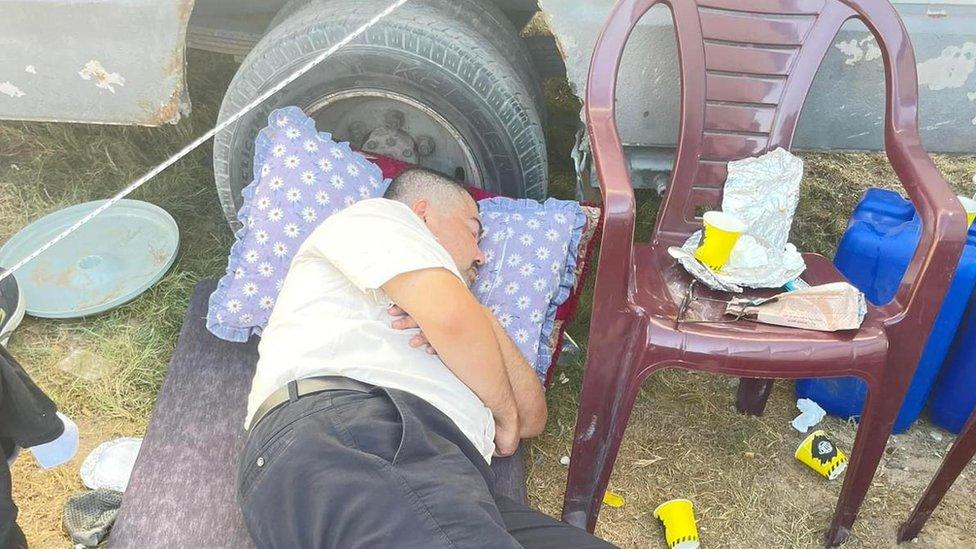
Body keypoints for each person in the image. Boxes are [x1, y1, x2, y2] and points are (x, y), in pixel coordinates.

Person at [238, 168, 614, 548]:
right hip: (357, 435)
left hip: (440, 478)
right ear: (423, 212)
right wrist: (503, 411)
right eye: (474, 231)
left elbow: (533, 418)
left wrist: (481, 320)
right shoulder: (381, 220)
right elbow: (452, 322)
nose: (482, 256)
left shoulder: (470, 321)